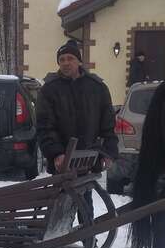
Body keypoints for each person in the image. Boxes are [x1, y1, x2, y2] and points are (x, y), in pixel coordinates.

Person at [36, 39, 118, 195]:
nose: (66, 63)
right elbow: (45, 127)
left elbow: (108, 126)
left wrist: (107, 153)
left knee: (86, 205)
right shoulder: (49, 90)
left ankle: (87, 220)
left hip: (89, 160)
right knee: (61, 208)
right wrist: (56, 153)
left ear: (79, 61)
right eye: (62, 59)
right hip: (63, 163)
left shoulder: (97, 88)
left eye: (70, 58)